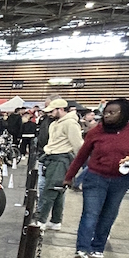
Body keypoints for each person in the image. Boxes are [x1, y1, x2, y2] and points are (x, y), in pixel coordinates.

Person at [63, 98, 129, 258]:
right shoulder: (96, 131)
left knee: (109, 215)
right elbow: (81, 155)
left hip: (121, 180)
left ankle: (98, 247)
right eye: (106, 112)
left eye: (112, 112)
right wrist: (69, 176)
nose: (107, 116)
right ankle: (81, 250)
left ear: (123, 114)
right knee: (90, 214)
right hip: (95, 177)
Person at [35, 98, 82, 231]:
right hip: (53, 158)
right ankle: (55, 221)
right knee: (58, 191)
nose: (49, 113)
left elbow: (78, 145)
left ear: (60, 109)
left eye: (52, 111)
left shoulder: (70, 123)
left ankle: (41, 221)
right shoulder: (56, 123)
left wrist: (76, 165)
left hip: (61, 159)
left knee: (50, 191)